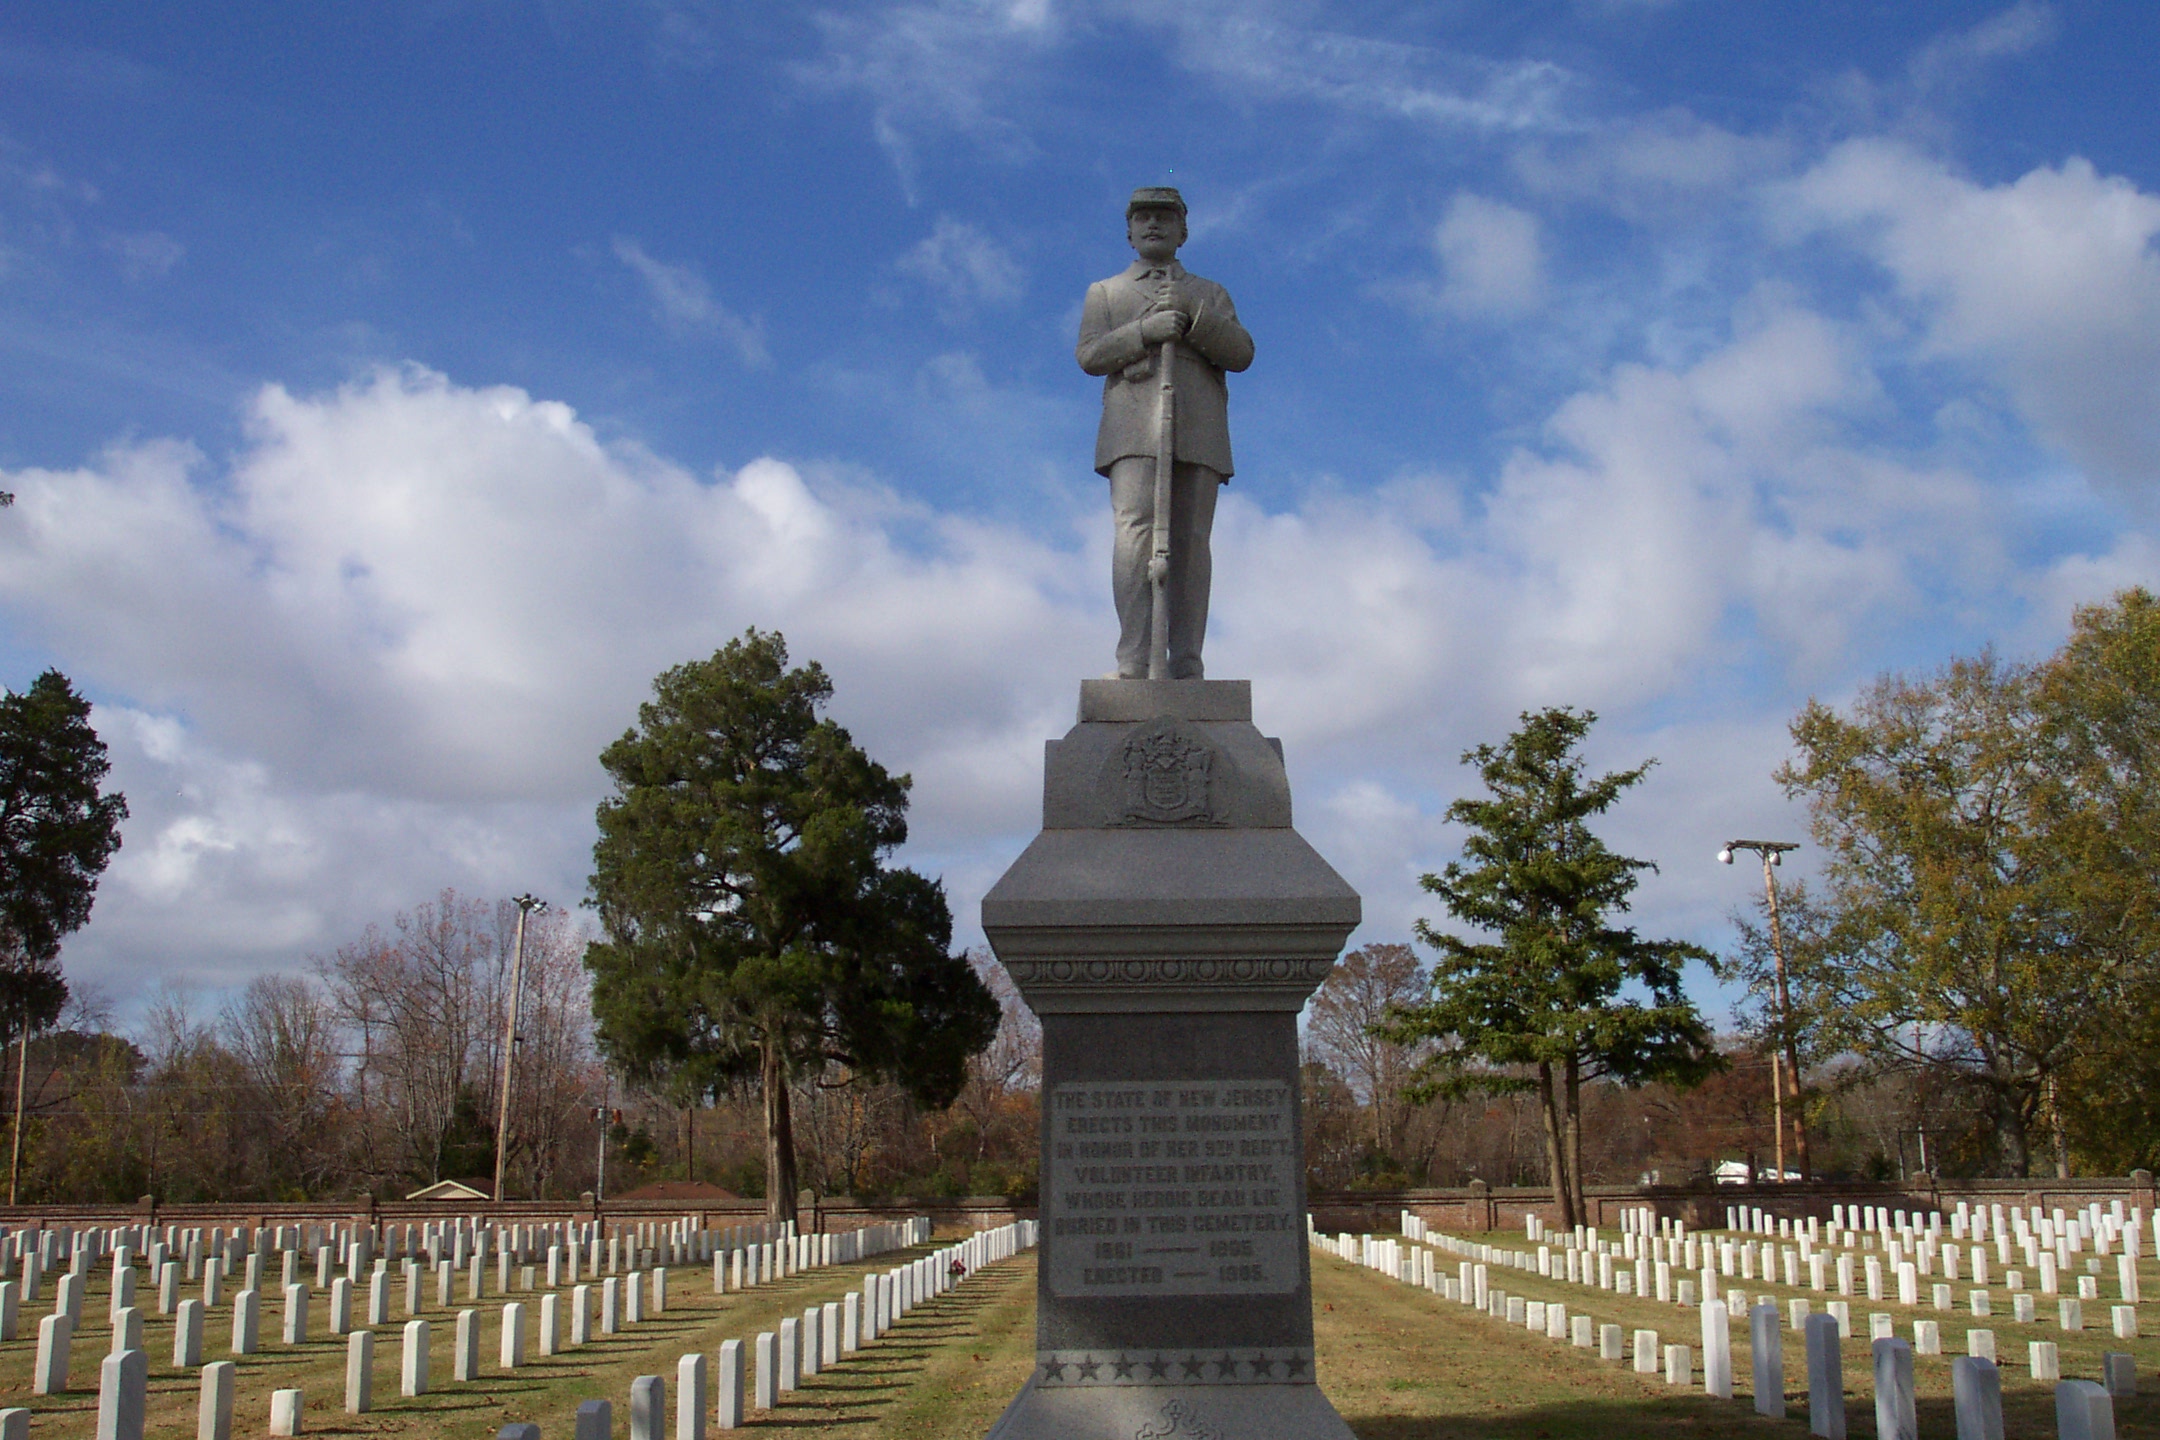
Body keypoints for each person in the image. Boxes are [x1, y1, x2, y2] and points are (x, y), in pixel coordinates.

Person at [1077, 187, 1253, 680]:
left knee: (1192, 540)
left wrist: (1194, 320)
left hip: (1198, 427)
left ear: (1183, 231)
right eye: (1143, 218)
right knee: (1133, 533)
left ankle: (1187, 659)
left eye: (1165, 217)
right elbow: (1090, 355)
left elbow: (1241, 353)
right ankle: (1133, 657)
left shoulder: (1209, 292)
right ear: (1130, 231)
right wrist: (1145, 332)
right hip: (1132, 426)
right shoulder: (1106, 292)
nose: (1153, 225)